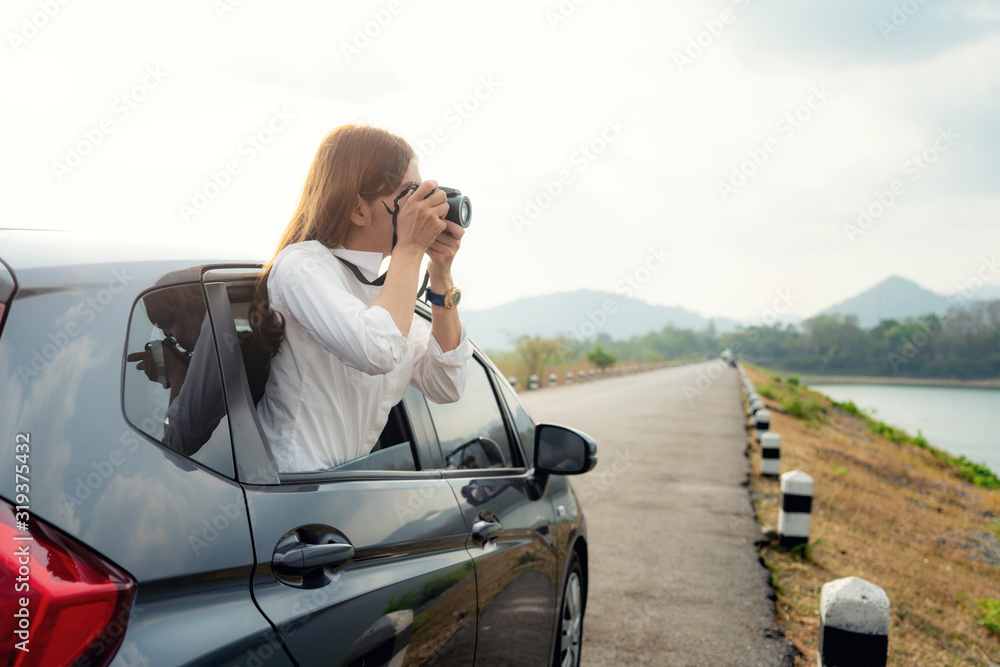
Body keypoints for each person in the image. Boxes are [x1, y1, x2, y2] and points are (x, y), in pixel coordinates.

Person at [250, 124, 472, 473]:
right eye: (409, 195)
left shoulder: (381, 290)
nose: (422, 208)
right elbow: (378, 349)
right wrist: (411, 248)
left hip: (346, 492)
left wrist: (441, 275)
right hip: (291, 488)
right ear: (358, 210)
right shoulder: (302, 267)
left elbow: (447, 384)